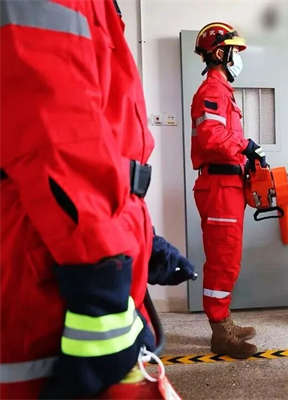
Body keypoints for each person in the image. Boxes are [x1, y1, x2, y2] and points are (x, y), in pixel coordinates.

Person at [0, 1, 194, 398]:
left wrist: (143, 240)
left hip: (86, 245)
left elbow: (105, 154)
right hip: (50, 262)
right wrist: (102, 280)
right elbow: (59, 142)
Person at [191, 22, 267, 359]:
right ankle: (220, 333)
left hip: (228, 184)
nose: (239, 58)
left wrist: (247, 159)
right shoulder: (212, 90)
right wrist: (246, 145)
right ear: (221, 53)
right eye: (235, 50)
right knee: (223, 259)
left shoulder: (222, 92)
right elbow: (211, 138)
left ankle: (224, 320)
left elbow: (223, 139)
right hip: (219, 186)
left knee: (228, 257)